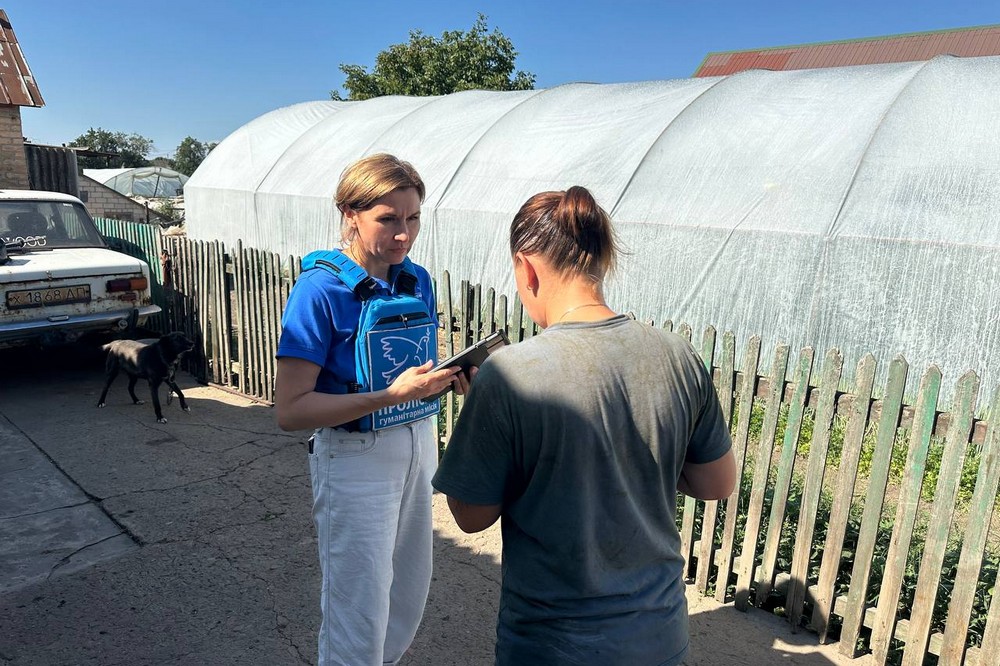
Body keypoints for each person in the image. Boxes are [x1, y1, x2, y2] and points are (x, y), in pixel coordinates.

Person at [432, 185, 737, 666]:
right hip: (659, 634)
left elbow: (472, 516)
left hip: (553, 645)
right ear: (601, 260)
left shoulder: (510, 374)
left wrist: (492, 427)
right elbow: (717, 483)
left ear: (526, 267)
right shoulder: (679, 355)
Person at [274, 153, 466, 666]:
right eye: (388, 219)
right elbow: (290, 410)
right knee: (356, 608)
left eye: (413, 218)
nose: (404, 235)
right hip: (354, 457)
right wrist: (387, 398)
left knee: (406, 595)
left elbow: (408, 371)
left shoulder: (415, 279)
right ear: (349, 214)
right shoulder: (319, 291)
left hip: (416, 442)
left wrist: (448, 380)